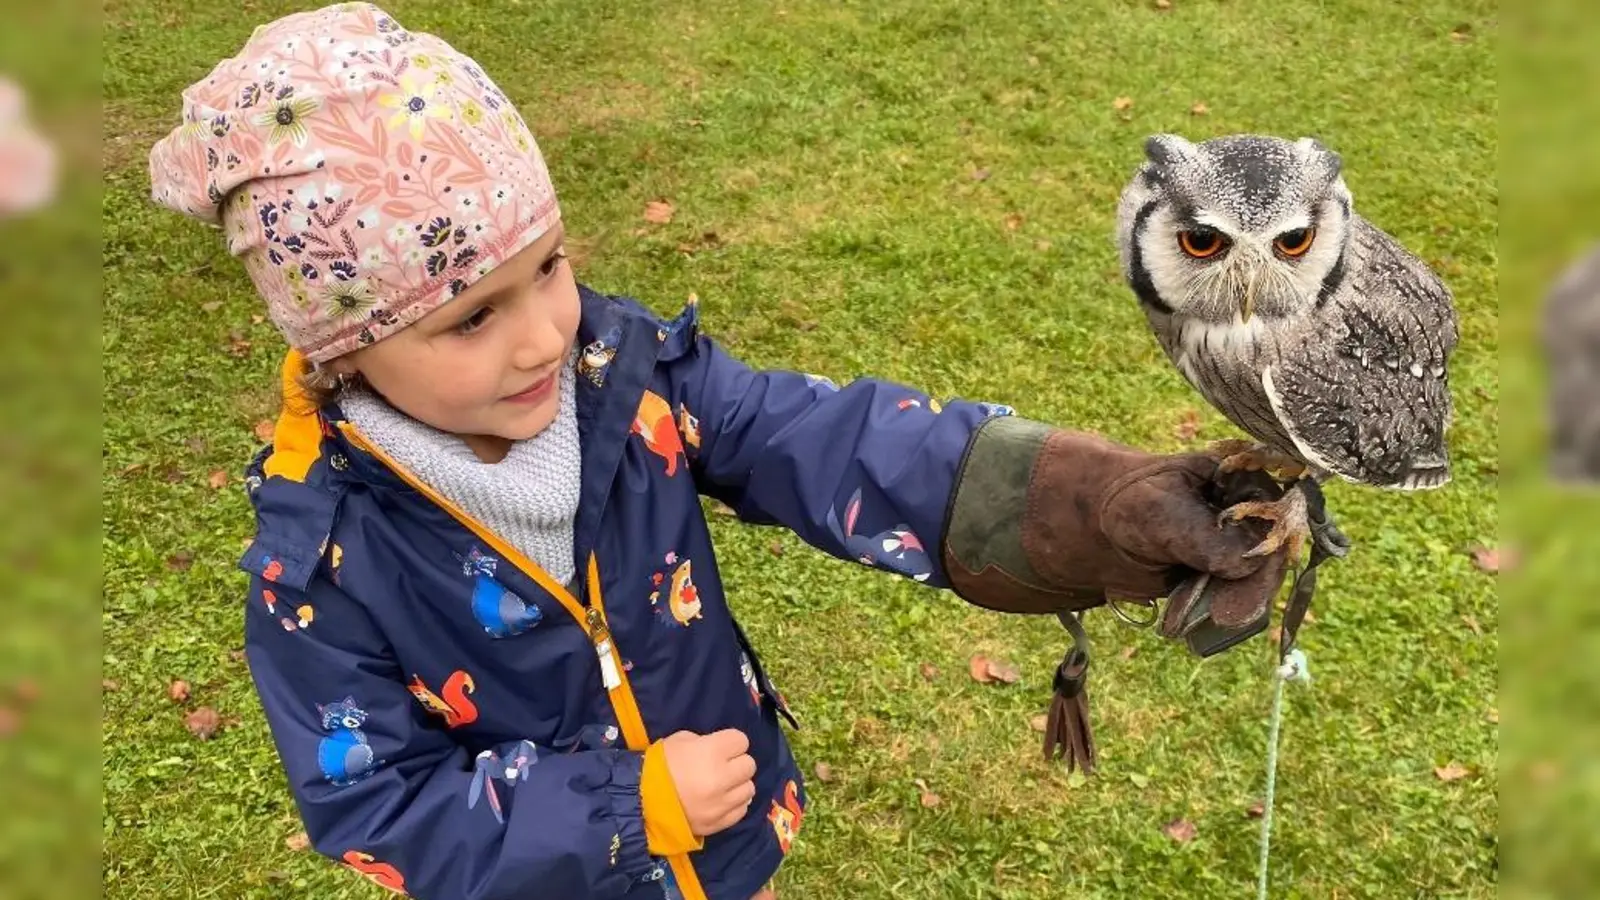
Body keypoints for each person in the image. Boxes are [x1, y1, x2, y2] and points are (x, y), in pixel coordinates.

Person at [147, 5, 1288, 899]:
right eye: (471, 318)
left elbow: (819, 441)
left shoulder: (621, 376)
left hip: (732, 842)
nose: (546, 331)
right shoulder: (322, 564)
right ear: (346, 347)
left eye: (548, 267)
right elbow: (374, 805)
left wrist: (1078, 503)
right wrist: (622, 808)